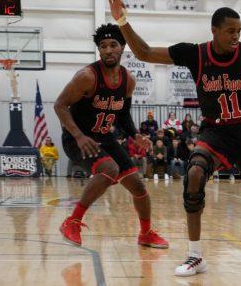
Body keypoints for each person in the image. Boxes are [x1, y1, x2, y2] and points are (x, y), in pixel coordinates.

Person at [108, 0, 241, 276]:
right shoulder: (195, 54)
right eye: (229, 31)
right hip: (215, 132)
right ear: (214, 31)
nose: (235, 35)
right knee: (194, 173)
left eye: (238, 30)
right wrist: (123, 20)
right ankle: (195, 256)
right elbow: (145, 52)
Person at [54, 23, 168, 249]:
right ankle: (72, 221)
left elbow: (123, 114)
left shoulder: (128, 81)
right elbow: (59, 105)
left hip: (104, 137)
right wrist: (78, 136)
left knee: (138, 187)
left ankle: (146, 234)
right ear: (99, 50)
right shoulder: (87, 76)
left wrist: (135, 135)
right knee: (110, 169)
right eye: (103, 46)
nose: (108, 50)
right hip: (78, 140)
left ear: (123, 47)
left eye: (113, 45)